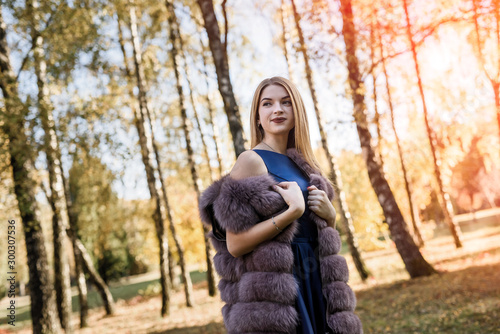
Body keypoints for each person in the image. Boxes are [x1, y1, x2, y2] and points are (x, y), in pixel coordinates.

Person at [199, 77, 362, 334]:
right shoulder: (251, 161)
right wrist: (291, 214)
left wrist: (330, 218)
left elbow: (314, 232)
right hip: (279, 292)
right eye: (268, 103)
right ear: (257, 116)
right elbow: (234, 244)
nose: (278, 109)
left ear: (296, 112)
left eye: (286, 102)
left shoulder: (306, 165)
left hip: (317, 283)